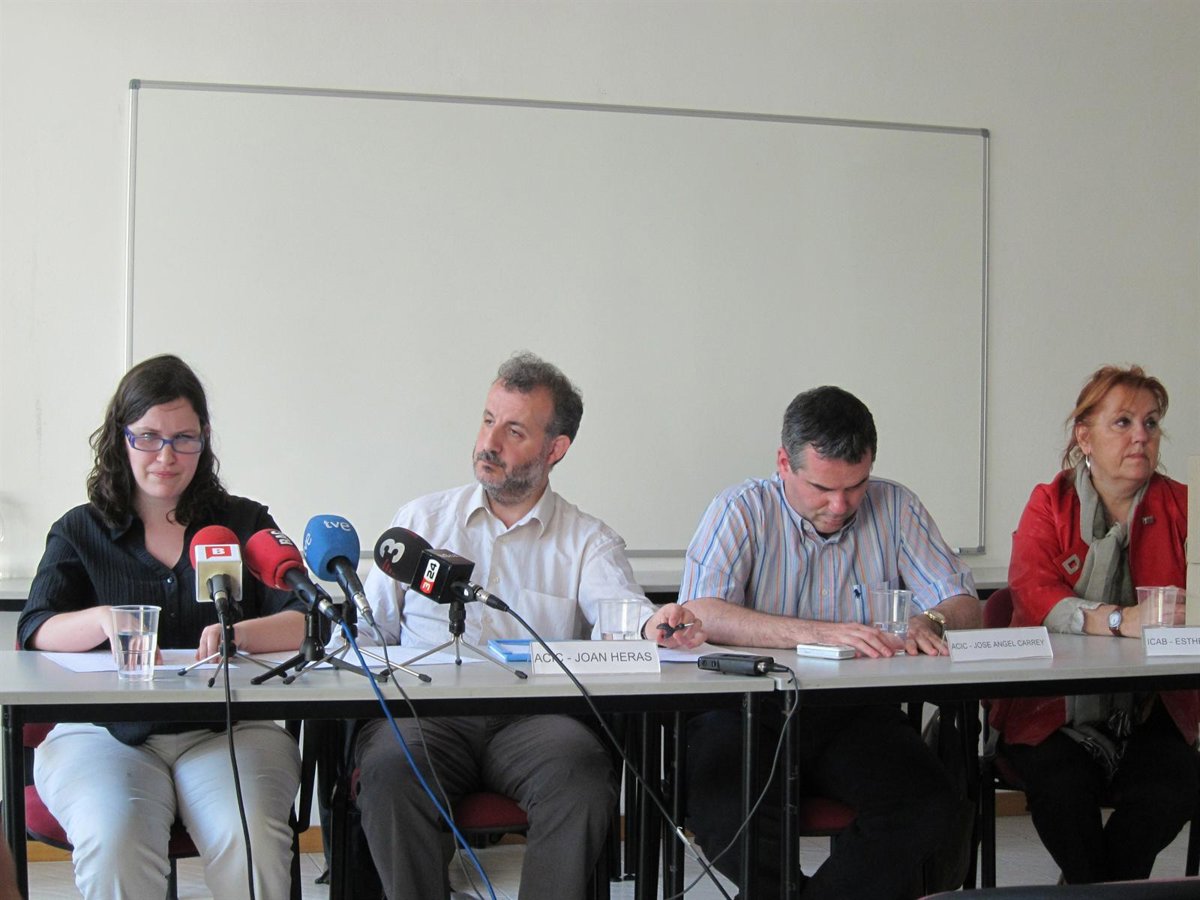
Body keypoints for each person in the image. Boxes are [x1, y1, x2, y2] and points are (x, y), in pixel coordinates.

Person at [354, 351, 705, 900]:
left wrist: (655, 624)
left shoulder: (587, 540)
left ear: (554, 449)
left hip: (534, 721)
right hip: (425, 714)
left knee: (581, 775)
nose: (489, 443)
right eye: (488, 420)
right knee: (389, 770)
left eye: (514, 431)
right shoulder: (420, 523)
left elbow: (624, 613)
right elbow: (366, 630)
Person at [17, 354, 307, 900]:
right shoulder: (81, 529)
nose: (166, 456)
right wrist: (104, 619)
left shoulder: (242, 522)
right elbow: (36, 627)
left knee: (251, 840)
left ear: (205, 439)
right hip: (102, 735)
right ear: (120, 438)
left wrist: (239, 635)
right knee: (115, 841)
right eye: (148, 437)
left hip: (229, 730)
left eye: (184, 438)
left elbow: (305, 618)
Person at [681, 385, 980, 899]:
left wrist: (931, 619)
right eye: (822, 488)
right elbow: (702, 612)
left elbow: (966, 605)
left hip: (855, 710)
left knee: (926, 803)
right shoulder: (740, 509)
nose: (840, 505)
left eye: (856, 485)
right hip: (746, 710)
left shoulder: (895, 506)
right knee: (726, 815)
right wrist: (816, 633)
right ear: (784, 463)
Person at [989, 364, 1199, 884]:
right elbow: (1034, 594)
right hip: (1052, 710)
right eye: (1123, 422)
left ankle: (1095, 889)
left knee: (1172, 787)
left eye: (1151, 422)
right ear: (1084, 436)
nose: (1141, 436)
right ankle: (1102, 888)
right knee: (1061, 788)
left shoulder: (1182, 504)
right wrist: (1119, 620)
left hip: (1152, 707)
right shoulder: (1049, 503)